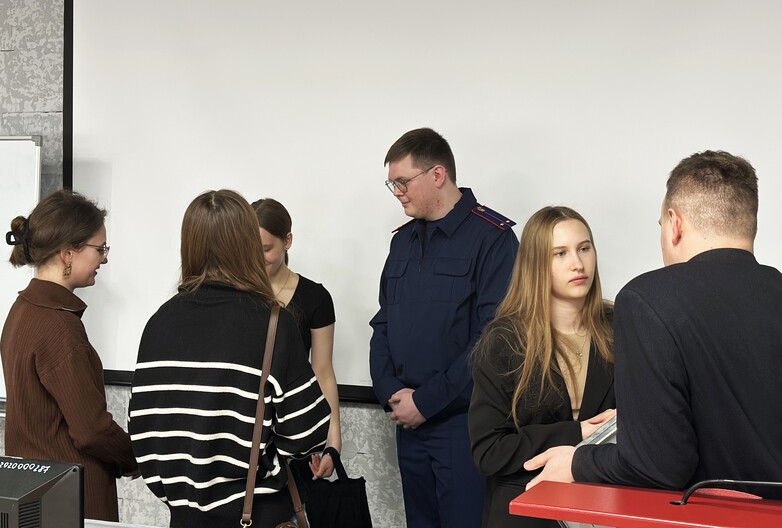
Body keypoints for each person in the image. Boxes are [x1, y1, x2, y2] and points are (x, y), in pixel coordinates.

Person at [525, 151, 782, 505]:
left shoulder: (647, 300)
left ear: (674, 224)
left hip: (710, 520)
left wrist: (578, 462)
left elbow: (656, 465)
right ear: (749, 222)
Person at [128, 189, 330, 527]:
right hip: (258, 515)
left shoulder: (158, 323)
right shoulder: (273, 324)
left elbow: (143, 430)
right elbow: (306, 435)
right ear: (246, 245)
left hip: (183, 518)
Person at [369, 127, 519, 527]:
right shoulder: (402, 242)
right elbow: (383, 322)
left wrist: (427, 401)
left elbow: (493, 341)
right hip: (408, 421)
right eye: (392, 184)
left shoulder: (492, 238)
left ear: (438, 175)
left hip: (464, 424)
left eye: (402, 182)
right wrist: (391, 392)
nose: (397, 192)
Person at [469, 206, 617, 528]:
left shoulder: (620, 326)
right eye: (560, 254)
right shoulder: (504, 340)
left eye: (584, 248)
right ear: (536, 264)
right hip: (525, 513)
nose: (577, 263)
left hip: (601, 508)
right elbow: (489, 452)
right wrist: (578, 432)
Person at [1, 189, 138, 521]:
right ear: (67, 253)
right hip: (72, 503)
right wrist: (134, 457)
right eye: (99, 249)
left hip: (33, 496)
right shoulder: (59, 326)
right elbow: (91, 430)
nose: (104, 259)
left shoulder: (21, 309)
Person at [251, 197, 342, 485]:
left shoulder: (315, 298)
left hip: (294, 431)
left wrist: (333, 443)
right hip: (244, 431)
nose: (256, 259)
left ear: (287, 241)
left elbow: (323, 372)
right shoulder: (235, 295)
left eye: (265, 249)